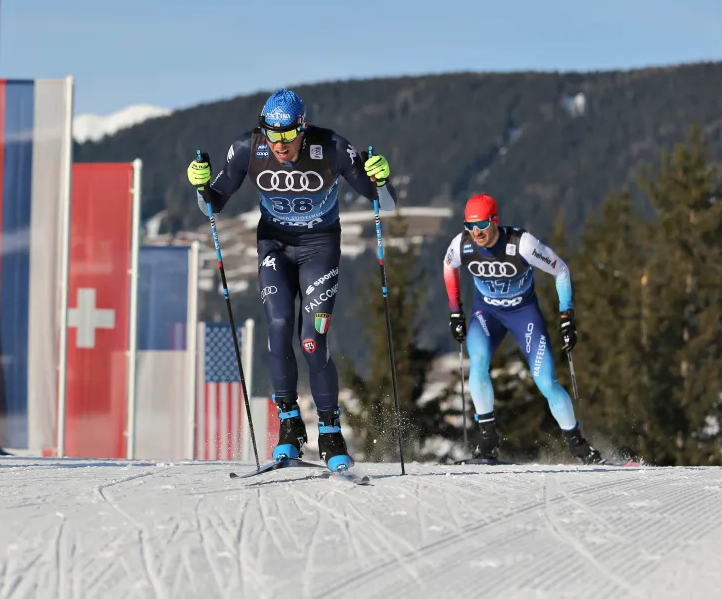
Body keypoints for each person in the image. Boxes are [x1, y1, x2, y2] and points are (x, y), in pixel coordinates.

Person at [186, 88, 396, 471]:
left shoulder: (331, 147)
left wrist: (381, 178)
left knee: (312, 340)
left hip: (320, 248)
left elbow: (384, 201)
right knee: (279, 327)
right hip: (274, 247)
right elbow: (213, 202)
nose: (279, 144)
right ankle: (289, 425)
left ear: (303, 128)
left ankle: (330, 431)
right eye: (271, 134)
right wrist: (201, 186)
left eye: (287, 135)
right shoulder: (249, 149)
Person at [442, 193, 602, 464]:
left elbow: (560, 270)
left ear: (495, 221)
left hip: (523, 314)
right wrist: (455, 311)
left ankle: (578, 446)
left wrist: (567, 316)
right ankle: (488, 442)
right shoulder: (462, 245)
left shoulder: (522, 244)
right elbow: (448, 267)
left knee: (545, 381)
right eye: (469, 226)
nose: (476, 232)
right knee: (478, 365)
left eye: (481, 224)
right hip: (487, 313)